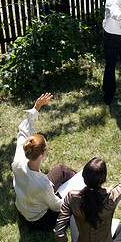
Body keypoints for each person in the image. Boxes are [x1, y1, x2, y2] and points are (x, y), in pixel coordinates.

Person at [54, 119, 121, 242]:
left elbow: (59, 232)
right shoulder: (112, 196)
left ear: (84, 177)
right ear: (104, 179)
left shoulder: (72, 197)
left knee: (73, 216)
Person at [12, 93, 77, 231]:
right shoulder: (43, 185)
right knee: (71, 203)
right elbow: (56, 206)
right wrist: (73, 197)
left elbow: (23, 132)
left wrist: (36, 107)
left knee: (61, 169)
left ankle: (83, 179)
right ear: (43, 153)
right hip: (37, 220)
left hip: (22, 207)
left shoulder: (18, 160)